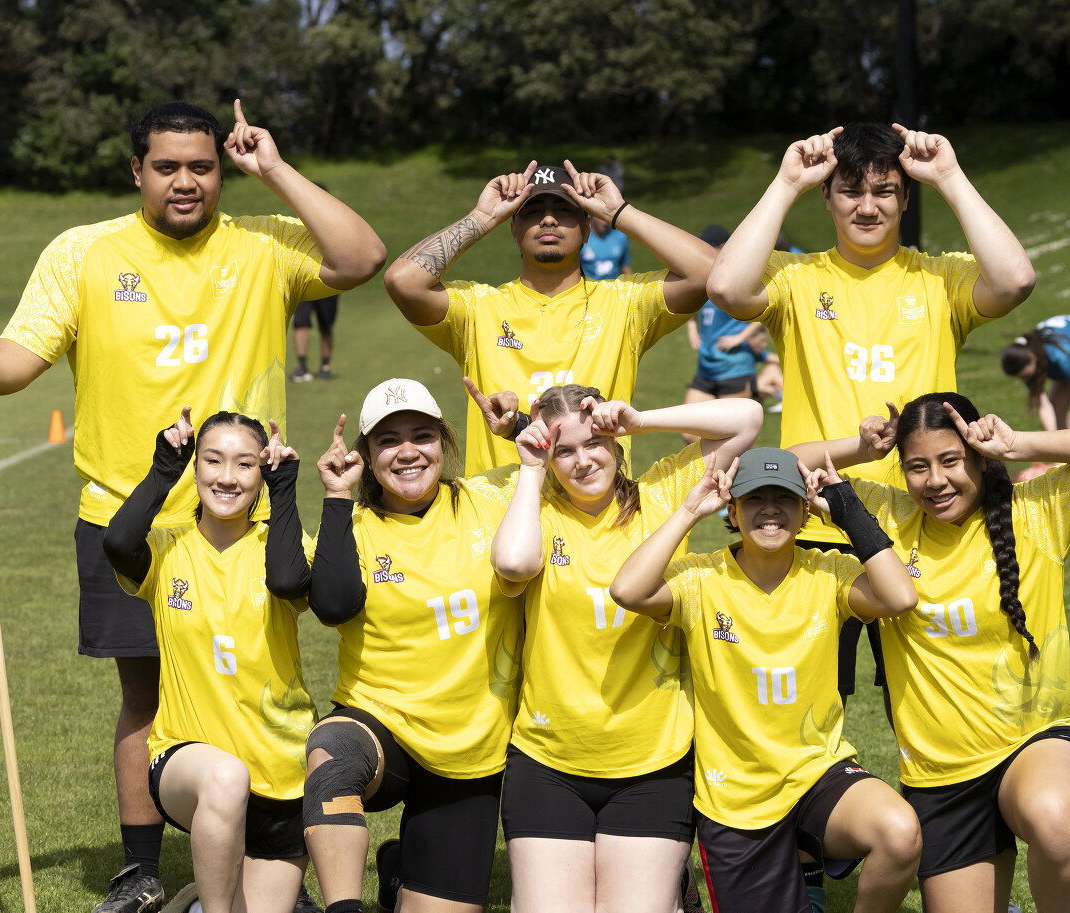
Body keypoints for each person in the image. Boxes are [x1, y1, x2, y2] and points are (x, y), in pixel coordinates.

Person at [0, 100, 385, 913]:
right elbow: (9, 367)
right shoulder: (84, 252)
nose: (186, 181)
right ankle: (140, 870)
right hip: (127, 517)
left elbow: (362, 256)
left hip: (247, 513)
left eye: (202, 166)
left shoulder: (266, 243)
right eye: (166, 166)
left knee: (263, 684)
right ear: (137, 171)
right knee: (145, 693)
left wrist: (273, 166)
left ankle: (274, 859)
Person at [792, 392, 1070, 913]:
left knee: (1053, 817)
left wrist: (1020, 445)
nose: (935, 481)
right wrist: (860, 449)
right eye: (917, 466)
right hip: (942, 775)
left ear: (978, 458)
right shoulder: (886, 515)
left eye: (951, 461)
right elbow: (776, 462)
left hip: (1036, 741)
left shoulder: (1037, 513)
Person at [706, 121, 1036, 700]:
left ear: (906, 201)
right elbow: (726, 287)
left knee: (931, 701)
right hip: (815, 519)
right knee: (802, 705)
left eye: (884, 191)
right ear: (827, 197)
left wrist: (950, 177)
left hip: (922, 521)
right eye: (850, 191)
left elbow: (1015, 280)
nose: (867, 207)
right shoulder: (797, 277)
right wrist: (785, 184)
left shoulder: (939, 277)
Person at [610, 448, 922, 913]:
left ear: (805, 512)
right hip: (736, 796)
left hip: (815, 772)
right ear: (732, 510)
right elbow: (627, 590)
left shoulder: (828, 572)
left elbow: (900, 597)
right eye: (756, 499)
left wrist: (846, 510)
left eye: (785, 500)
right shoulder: (701, 577)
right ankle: (780, 889)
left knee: (899, 831)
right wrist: (689, 511)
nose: (771, 511)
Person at [489, 385, 762, 913]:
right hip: (550, 759)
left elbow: (748, 417)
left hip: (651, 761)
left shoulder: (663, 491)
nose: (582, 461)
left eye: (595, 443)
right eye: (564, 451)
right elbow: (513, 564)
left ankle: (673, 892)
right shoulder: (534, 505)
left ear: (616, 443)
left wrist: (642, 420)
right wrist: (530, 471)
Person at [300, 379, 523, 913]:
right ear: (368, 456)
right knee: (331, 757)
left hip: (471, 748)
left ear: (444, 442)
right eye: (388, 441)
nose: (407, 452)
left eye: (422, 436)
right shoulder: (353, 526)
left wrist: (520, 424)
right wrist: (336, 498)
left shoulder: (489, 499)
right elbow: (332, 604)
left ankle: (396, 871)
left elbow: (569, 462)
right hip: (382, 724)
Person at [100, 406, 313, 913]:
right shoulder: (168, 548)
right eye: (212, 461)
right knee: (224, 775)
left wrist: (285, 490)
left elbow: (292, 582)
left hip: (280, 769)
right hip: (187, 761)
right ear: (195, 469)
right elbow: (117, 541)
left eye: (244, 464)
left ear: (262, 473)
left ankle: (189, 911)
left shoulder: (282, 545)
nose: (226, 477)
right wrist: (162, 469)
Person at [384, 159, 714, 474]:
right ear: (513, 231)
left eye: (564, 209)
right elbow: (403, 281)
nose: (549, 220)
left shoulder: (624, 304)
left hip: (596, 503)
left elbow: (708, 272)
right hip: (496, 507)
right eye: (532, 211)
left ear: (587, 228)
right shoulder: (478, 308)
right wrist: (482, 217)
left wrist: (618, 212)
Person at [685, 225, 771, 411]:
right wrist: (692, 329)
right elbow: (688, 302)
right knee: (687, 426)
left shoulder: (740, 277)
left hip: (734, 368)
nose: (702, 253)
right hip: (705, 368)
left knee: (733, 428)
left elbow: (765, 310)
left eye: (708, 248)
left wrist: (740, 337)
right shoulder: (703, 276)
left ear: (724, 247)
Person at [291, 182, 342, 382]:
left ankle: (325, 366)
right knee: (301, 322)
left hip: (329, 281)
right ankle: (302, 366)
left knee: (326, 325)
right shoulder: (297, 219)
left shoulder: (334, 221)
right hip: (303, 280)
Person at [580, 214, 632, 280]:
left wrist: (631, 282)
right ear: (591, 217)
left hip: (614, 285)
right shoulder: (582, 239)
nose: (604, 223)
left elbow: (625, 266)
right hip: (590, 285)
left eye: (606, 218)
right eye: (600, 218)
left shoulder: (620, 236)